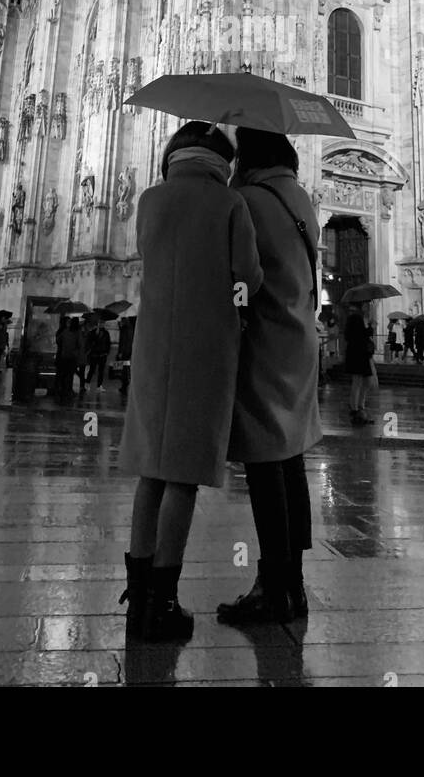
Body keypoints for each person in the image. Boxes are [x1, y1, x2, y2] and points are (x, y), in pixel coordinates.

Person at [118, 121, 262, 643]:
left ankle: (138, 602)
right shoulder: (231, 205)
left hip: (154, 344)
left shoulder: (151, 201)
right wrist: (240, 302)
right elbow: (246, 276)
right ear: (222, 161)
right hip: (207, 345)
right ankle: (164, 600)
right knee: (182, 475)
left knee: (150, 473)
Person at [217, 127, 322, 627]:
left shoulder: (247, 200)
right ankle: (293, 584)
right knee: (291, 460)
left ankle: (273, 585)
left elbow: (240, 275)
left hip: (265, 341)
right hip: (302, 341)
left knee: (264, 463)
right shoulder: (300, 198)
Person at [344, 308, 376, 425]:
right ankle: (356, 408)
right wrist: (370, 326)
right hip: (359, 355)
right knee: (359, 381)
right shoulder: (356, 319)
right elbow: (363, 334)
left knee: (363, 381)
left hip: (358, 355)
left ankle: (358, 406)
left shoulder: (354, 319)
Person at [55, 317, 82, 400]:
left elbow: (58, 341)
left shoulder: (63, 331)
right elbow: (80, 344)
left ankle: (62, 391)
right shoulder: (76, 332)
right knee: (69, 375)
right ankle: (67, 391)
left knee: (63, 375)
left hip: (63, 356)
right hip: (71, 357)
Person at [85, 320, 112, 388]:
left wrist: (107, 352)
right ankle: (87, 383)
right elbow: (89, 342)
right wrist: (96, 335)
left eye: (103, 323)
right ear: (97, 324)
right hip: (94, 354)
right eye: (100, 323)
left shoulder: (106, 333)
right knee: (92, 369)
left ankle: (99, 386)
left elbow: (108, 343)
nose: (102, 324)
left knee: (101, 371)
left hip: (103, 354)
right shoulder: (92, 332)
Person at [116, 315, 136, 395]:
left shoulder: (125, 330)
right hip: (128, 352)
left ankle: (124, 384)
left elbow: (124, 342)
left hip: (124, 352)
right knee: (125, 368)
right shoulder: (129, 328)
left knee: (123, 369)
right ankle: (124, 384)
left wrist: (121, 352)